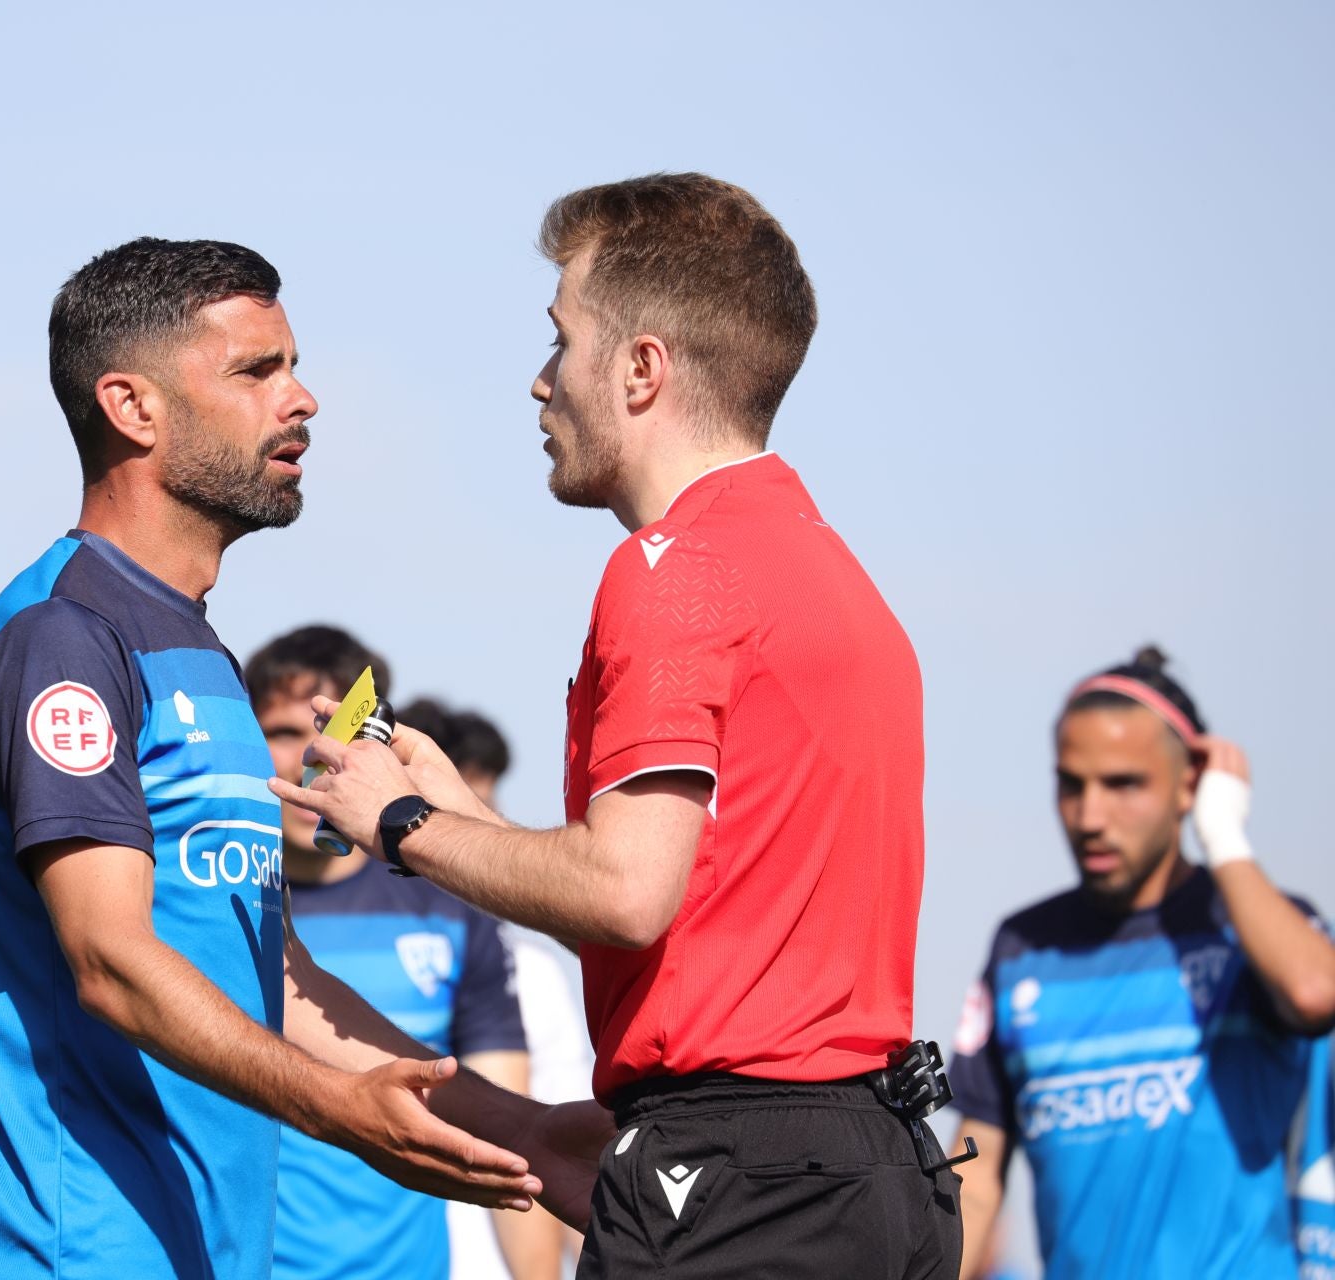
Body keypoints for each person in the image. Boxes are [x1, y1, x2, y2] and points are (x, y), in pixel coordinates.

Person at [274, 172, 959, 1278]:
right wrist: (465, 820)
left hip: (735, 1183)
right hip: (874, 1167)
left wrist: (398, 819)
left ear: (642, 368)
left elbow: (628, 892)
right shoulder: (831, 572)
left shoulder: (671, 569)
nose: (539, 382)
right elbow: (713, 917)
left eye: (560, 340)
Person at [0, 237, 597, 1279]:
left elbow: (270, 975)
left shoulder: (199, 651)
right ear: (132, 407)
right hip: (63, 1254)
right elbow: (108, 959)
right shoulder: (63, 636)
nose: (306, 398)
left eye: (293, 365)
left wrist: (529, 1134)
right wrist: (339, 1112)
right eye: (257, 370)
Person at [945, 647, 1335, 1278]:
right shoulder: (1021, 948)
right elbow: (978, 1171)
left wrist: (1225, 834)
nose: (1091, 817)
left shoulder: (1252, 932)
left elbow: (1316, 993)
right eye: (1072, 785)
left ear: (1189, 786)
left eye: (1124, 784)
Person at [244, 630, 543, 1280]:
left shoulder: (447, 907)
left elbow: (516, 1138)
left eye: (332, 732)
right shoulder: (222, 903)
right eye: (284, 732)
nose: (313, 757)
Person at [398, 699, 596, 1280]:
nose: (486, 826)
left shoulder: (527, 966)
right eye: (460, 808)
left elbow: (554, 1141)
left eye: (484, 804)